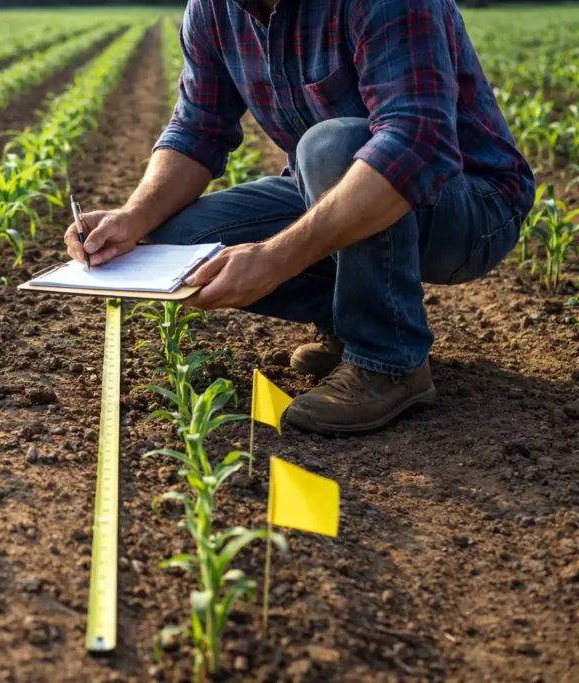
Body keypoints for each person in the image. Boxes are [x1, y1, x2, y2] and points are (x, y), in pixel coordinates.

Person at [63, 0, 534, 435]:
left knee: (328, 146)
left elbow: (414, 143)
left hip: (470, 204)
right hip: (331, 186)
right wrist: (132, 217)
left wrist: (277, 257)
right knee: (181, 240)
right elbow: (196, 129)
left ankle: (388, 360)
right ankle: (349, 319)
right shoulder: (214, 8)